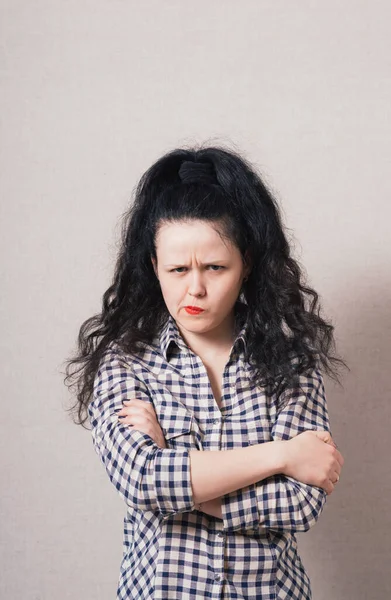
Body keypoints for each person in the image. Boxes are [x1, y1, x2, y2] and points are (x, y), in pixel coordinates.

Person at [64, 144, 346, 600]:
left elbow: (301, 503)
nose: (194, 287)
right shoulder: (125, 362)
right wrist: (281, 456)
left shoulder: (294, 365)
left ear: (246, 264)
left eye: (215, 267)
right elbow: (142, 480)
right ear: (154, 267)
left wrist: (175, 475)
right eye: (177, 269)